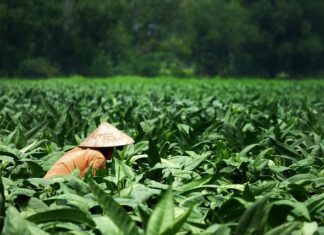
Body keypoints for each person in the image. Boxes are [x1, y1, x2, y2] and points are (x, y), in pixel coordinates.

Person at [44, 122, 134, 179]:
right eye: (112, 148)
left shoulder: (80, 150)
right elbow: (88, 179)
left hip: (46, 181)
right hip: (57, 184)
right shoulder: (99, 157)